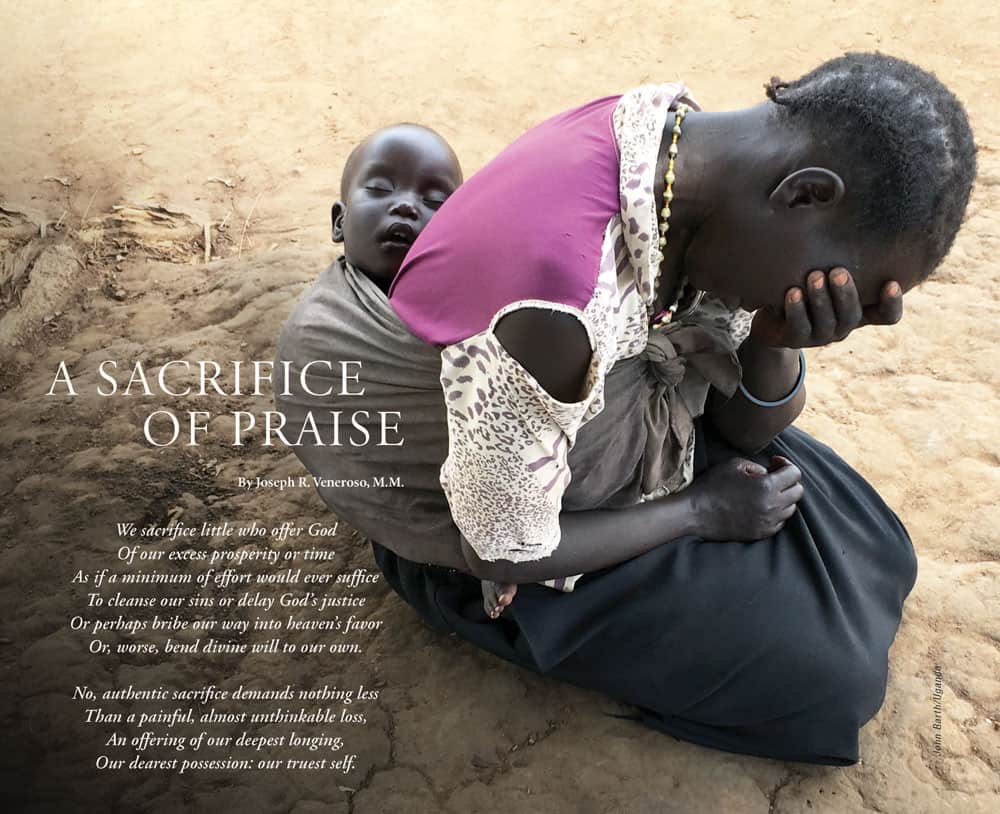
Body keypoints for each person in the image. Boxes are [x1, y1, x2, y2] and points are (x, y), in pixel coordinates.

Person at [275, 52, 976, 765]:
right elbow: (501, 547)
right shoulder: (555, 301)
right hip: (498, 521)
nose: (839, 305)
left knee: (878, 545)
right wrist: (699, 513)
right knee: (835, 685)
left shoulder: (685, 153)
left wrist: (774, 337)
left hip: (601, 429)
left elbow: (739, 427)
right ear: (803, 194)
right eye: (839, 283)